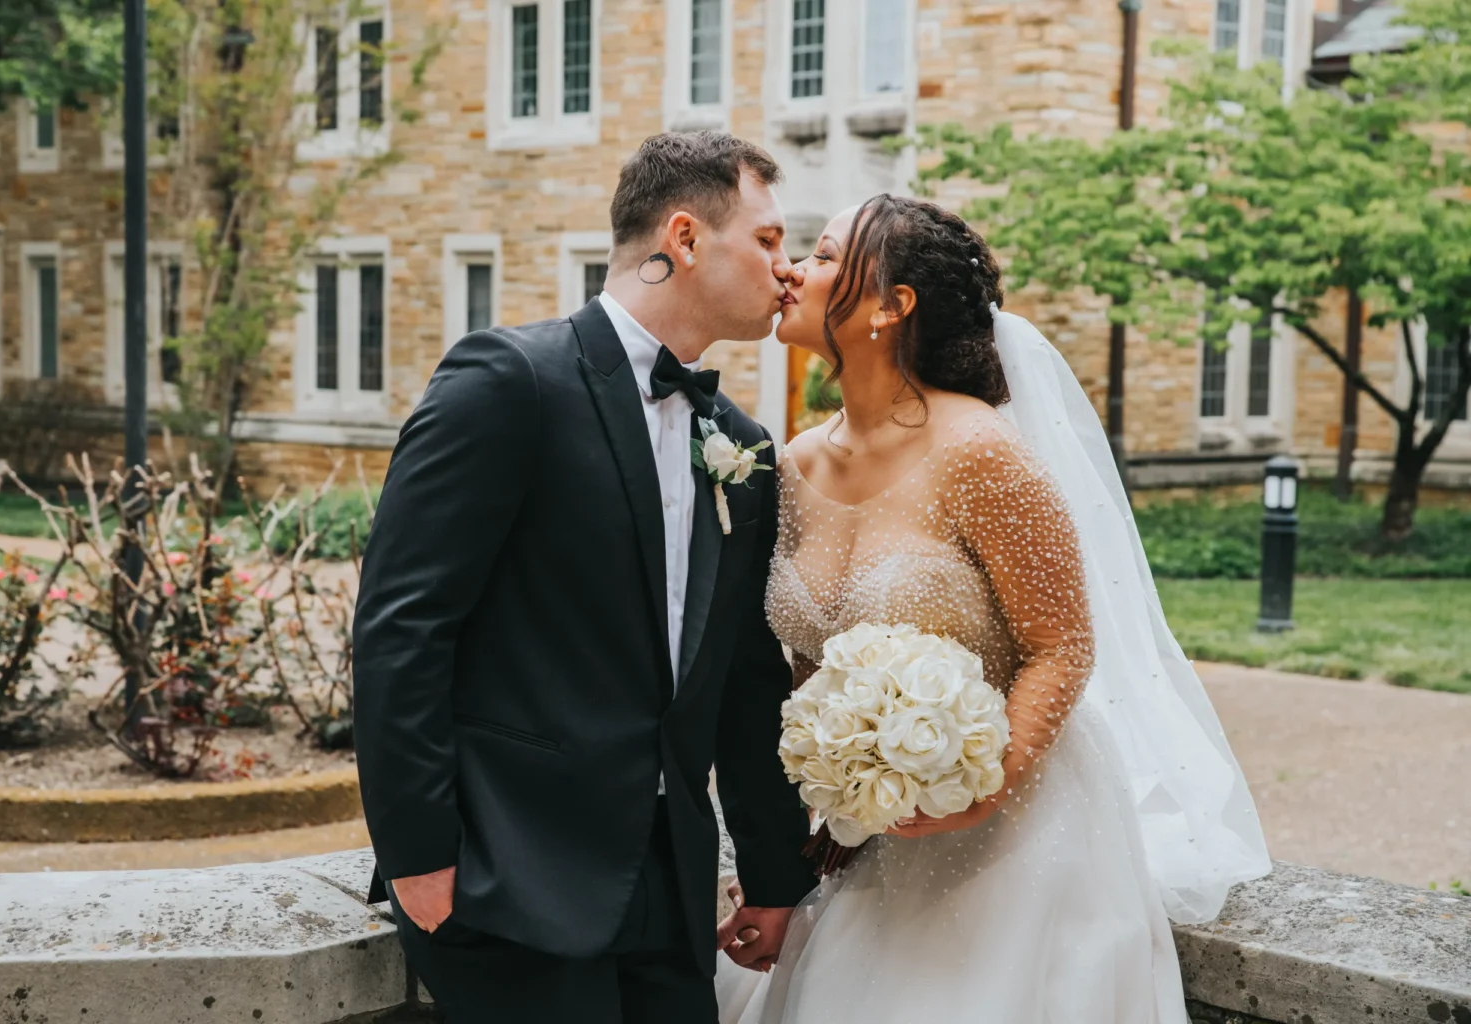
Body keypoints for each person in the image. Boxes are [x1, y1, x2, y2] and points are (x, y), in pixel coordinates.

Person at [714, 195, 1271, 1022]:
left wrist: (978, 788)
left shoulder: (981, 454)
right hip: (867, 841)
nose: (794, 267)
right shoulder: (792, 466)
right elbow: (811, 661)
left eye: (825, 255)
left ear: (889, 306)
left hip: (1012, 839)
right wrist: (832, 795)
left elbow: (1063, 646)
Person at [351, 131, 819, 1023]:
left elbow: (745, 680)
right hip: (508, 882)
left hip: (670, 893)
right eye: (767, 240)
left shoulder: (745, 445)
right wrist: (419, 862)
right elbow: (402, 629)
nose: (787, 269)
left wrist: (771, 875)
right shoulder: (507, 381)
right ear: (682, 238)